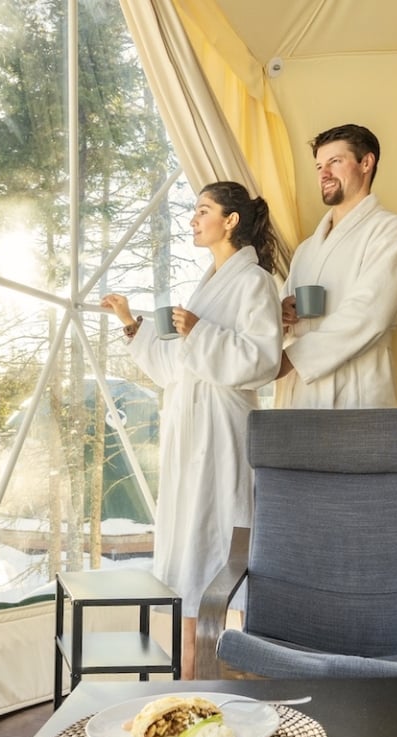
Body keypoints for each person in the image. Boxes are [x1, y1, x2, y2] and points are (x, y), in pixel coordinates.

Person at [99, 181, 284, 679]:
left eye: (203, 210)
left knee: (219, 535)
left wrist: (200, 330)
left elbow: (262, 361)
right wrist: (131, 323)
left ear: (231, 221)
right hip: (187, 430)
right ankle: (187, 667)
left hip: (222, 428)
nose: (192, 219)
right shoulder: (208, 285)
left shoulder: (254, 282)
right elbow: (176, 369)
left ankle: (226, 664)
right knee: (187, 543)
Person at [276, 124, 397, 408]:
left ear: (366, 163)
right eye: (319, 167)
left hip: (357, 391)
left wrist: (291, 359)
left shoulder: (391, 232)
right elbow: (285, 319)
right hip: (302, 395)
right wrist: (282, 315)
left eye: (335, 162)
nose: (324, 174)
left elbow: (368, 315)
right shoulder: (306, 250)